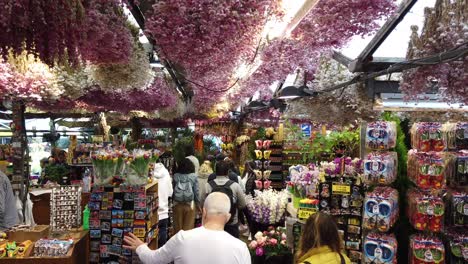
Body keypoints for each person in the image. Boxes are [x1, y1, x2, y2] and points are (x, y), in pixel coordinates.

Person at [124, 192, 251, 264]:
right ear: (228, 217)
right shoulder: (240, 248)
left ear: (204, 212)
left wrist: (140, 247)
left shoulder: (182, 238)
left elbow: (153, 259)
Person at [203, 160, 246, 238]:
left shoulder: (208, 186)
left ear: (215, 171)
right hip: (231, 222)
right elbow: (243, 204)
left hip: (212, 223)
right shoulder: (235, 186)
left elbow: (203, 203)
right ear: (228, 172)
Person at [172, 158, 200, 233]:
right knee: (188, 230)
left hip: (177, 204)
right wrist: (198, 204)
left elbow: (172, 190)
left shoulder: (175, 176)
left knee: (177, 230)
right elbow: (196, 192)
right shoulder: (194, 176)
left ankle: (178, 244)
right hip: (190, 204)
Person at [153, 162, 173, 247]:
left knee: (152, 238)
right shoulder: (166, 173)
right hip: (164, 210)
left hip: (153, 212)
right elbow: (170, 192)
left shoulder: (150, 174)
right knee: (162, 232)